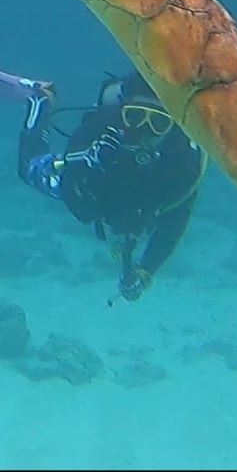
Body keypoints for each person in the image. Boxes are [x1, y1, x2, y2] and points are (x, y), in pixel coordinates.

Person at [17, 70, 205, 301]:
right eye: (135, 117)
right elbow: (76, 202)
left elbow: (175, 222)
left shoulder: (183, 160)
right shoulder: (101, 127)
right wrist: (91, 163)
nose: (144, 131)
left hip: (125, 207)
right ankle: (41, 102)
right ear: (121, 113)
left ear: (173, 127)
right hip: (90, 186)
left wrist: (145, 270)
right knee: (29, 169)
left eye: (158, 123)